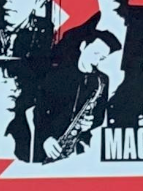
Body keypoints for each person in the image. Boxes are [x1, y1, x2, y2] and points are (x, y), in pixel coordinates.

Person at [35, 31, 128, 161]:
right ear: (83, 46)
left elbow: (99, 117)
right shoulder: (55, 74)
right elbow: (39, 111)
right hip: (52, 143)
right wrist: (46, 138)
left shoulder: (102, 80)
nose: (96, 61)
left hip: (81, 147)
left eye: (101, 58)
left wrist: (91, 123)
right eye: (95, 53)